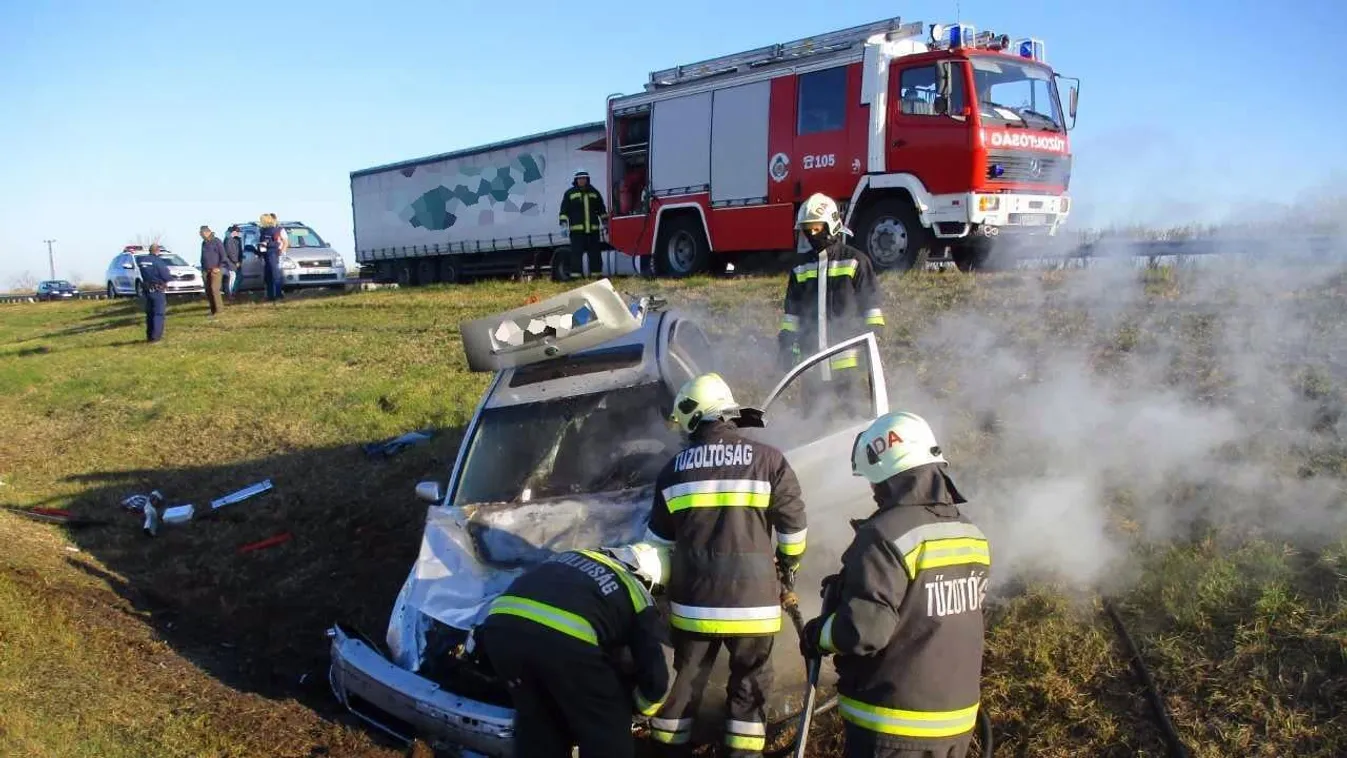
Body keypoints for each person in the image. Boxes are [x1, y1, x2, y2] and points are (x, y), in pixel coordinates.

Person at [799, 412, 991, 758]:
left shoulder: (885, 535)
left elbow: (864, 631)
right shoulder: (971, 533)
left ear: (887, 476)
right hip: (956, 727)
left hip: (894, 730)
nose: (872, 492)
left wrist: (820, 633)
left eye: (874, 481)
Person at [644, 373, 807, 756]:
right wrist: (787, 567)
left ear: (692, 416)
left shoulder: (674, 470)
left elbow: (658, 548)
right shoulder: (770, 461)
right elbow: (794, 528)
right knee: (749, 690)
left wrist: (661, 599)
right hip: (756, 607)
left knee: (684, 687)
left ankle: (666, 751)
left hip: (693, 607)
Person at [476, 544, 670, 758]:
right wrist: (639, 711)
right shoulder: (636, 590)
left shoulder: (570, 556)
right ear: (649, 579)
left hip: (499, 630)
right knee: (607, 734)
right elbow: (658, 674)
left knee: (539, 726)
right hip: (565, 644)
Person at [777, 193, 886, 413]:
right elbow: (791, 318)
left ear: (831, 225)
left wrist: (869, 355)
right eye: (807, 230)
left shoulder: (856, 261)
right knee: (812, 432)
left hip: (848, 371)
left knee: (852, 426)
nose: (811, 234)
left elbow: (873, 315)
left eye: (816, 228)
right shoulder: (800, 268)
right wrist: (788, 346)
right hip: (812, 369)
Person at [558, 169, 608, 279]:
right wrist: (563, 225)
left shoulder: (594, 192)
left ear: (587, 179)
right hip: (577, 232)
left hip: (593, 231)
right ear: (576, 180)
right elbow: (564, 211)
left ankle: (596, 275)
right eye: (580, 178)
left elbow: (601, 209)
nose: (582, 180)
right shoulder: (570, 193)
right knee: (576, 255)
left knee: (595, 254)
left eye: (584, 178)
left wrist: (605, 222)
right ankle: (576, 277)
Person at [137, 244, 172, 343]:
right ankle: (156, 337)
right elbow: (166, 276)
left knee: (149, 314)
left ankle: (149, 336)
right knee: (158, 313)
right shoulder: (158, 261)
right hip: (157, 290)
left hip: (147, 290)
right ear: (157, 251)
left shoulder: (142, 261)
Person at [257, 213, 286, 301]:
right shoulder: (262, 230)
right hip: (266, 254)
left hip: (273, 253)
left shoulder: (275, 230)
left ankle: (278, 295)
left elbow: (277, 243)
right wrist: (260, 250)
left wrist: (268, 244)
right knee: (268, 276)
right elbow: (262, 242)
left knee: (275, 275)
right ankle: (270, 295)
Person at [198, 225, 226, 317]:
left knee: (215, 289)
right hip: (206, 270)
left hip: (216, 270)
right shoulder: (204, 243)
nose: (200, 235)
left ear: (207, 232)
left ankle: (219, 310)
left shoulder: (216, 241)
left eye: (201, 233)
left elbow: (223, 256)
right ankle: (213, 310)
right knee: (208, 290)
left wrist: (219, 267)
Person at [222, 225, 243, 299]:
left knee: (238, 278)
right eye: (238, 232)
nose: (240, 234)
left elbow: (238, 251)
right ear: (234, 232)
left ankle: (233, 293)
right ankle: (230, 294)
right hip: (231, 263)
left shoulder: (236, 239)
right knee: (232, 279)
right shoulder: (229, 239)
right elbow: (230, 252)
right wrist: (236, 261)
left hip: (235, 262)